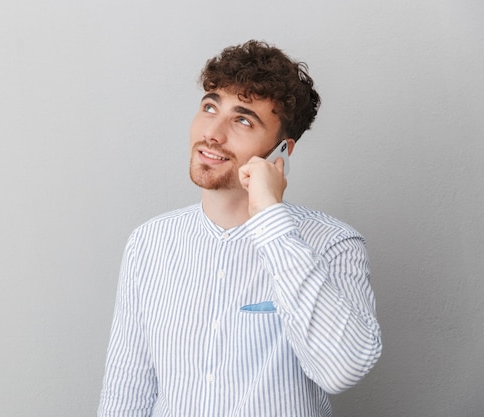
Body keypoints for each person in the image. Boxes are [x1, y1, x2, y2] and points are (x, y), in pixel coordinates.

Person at [98, 40, 382, 417]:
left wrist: (269, 216)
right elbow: (126, 389)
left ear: (282, 150)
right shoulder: (149, 243)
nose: (212, 133)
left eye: (243, 119)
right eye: (210, 107)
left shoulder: (333, 244)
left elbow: (342, 369)